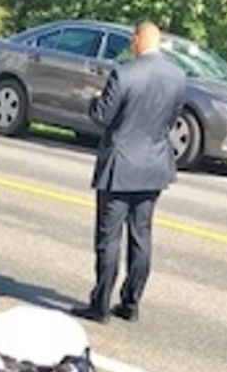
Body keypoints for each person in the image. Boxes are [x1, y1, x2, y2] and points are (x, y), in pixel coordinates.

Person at [72, 21, 187, 323]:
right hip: (154, 164)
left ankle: (100, 305)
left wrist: (93, 101)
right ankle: (131, 302)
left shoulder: (124, 73)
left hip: (121, 166)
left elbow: (102, 116)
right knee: (141, 236)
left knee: (109, 238)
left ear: (137, 40)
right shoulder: (177, 76)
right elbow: (173, 118)